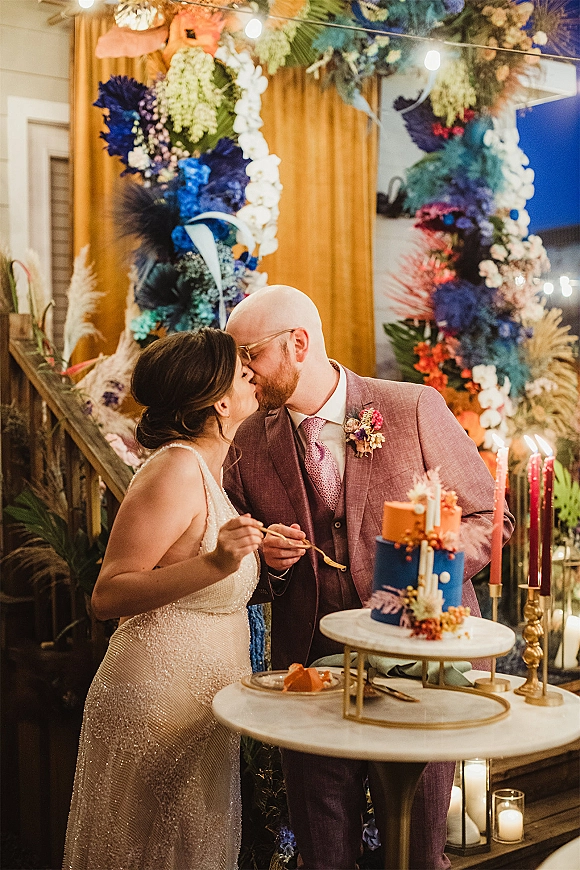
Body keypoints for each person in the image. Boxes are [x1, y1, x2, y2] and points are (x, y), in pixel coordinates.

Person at [224, 285, 514, 870]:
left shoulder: (411, 407)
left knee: (417, 853)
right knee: (322, 854)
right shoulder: (248, 439)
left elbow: (490, 518)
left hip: (421, 666)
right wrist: (266, 562)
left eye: (250, 353)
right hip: (310, 674)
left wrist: (426, 574)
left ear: (298, 344)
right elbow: (235, 557)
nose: (242, 370)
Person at [63, 329, 264, 870]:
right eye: (241, 370)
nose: (252, 374)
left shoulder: (207, 469)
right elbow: (108, 593)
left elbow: (192, 564)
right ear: (220, 403)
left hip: (200, 711)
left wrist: (260, 550)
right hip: (156, 704)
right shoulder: (174, 467)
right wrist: (217, 563)